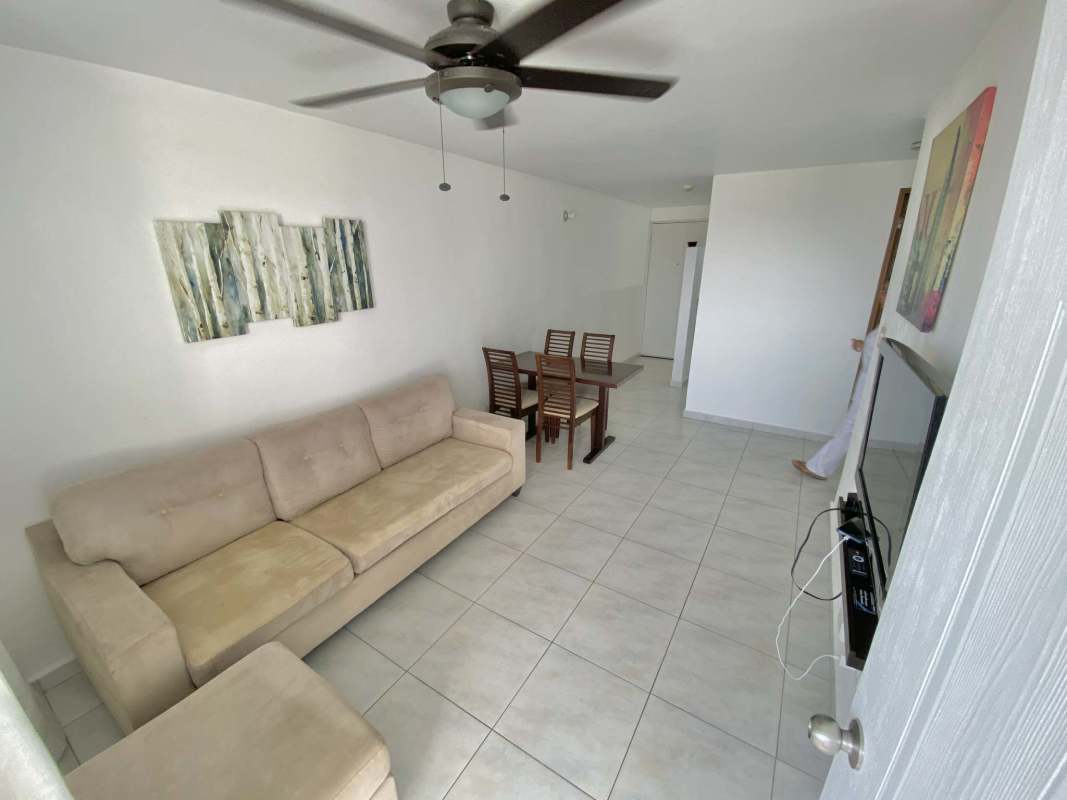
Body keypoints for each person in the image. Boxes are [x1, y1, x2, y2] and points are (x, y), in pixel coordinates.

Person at [792, 325, 881, 481]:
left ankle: (819, 468)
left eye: (885, 297)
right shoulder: (885, 321)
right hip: (866, 383)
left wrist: (865, 346)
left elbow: (880, 353)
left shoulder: (891, 322)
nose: (882, 298)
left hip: (871, 384)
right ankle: (819, 466)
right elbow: (875, 351)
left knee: (850, 427)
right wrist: (863, 345)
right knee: (850, 426)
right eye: (882, 297)